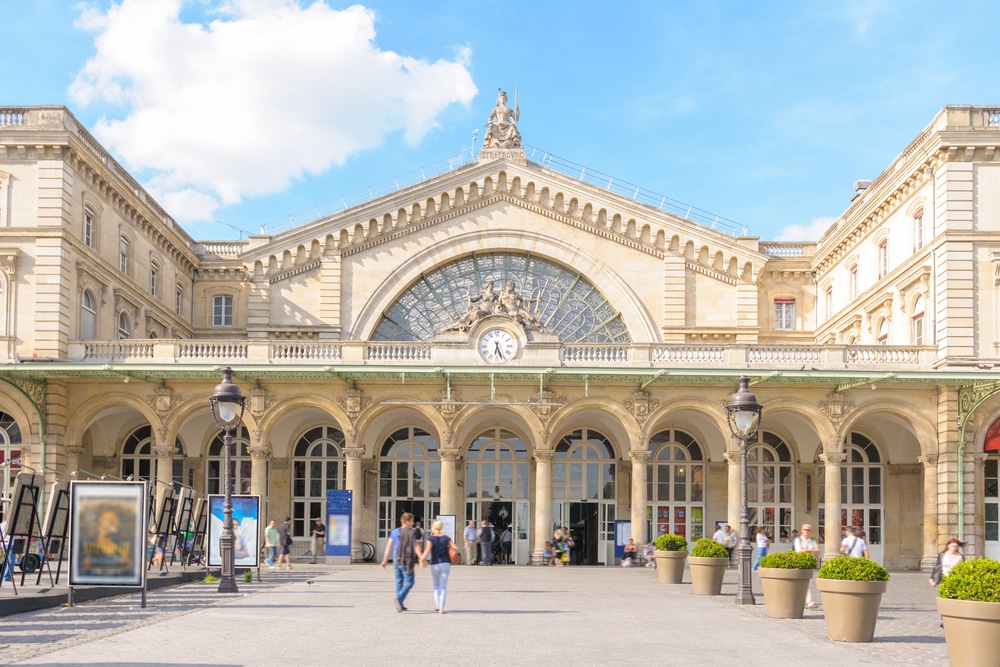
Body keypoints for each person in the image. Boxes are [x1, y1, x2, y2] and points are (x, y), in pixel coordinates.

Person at [380, 512, 422, 612]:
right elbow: (416, 545)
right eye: (412, 521)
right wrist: (421, 557)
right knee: (410, 582)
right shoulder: (411, 532)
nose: (413, 523)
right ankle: (399, 599)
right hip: (406, 561)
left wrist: (384, 560)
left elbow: (389, 546)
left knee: (399, 582)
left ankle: (400, 604)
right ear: (407, 521)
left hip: (396, 560)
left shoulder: (395, 532)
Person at [420, 520, 455, 613]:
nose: (431, 528)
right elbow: (455, 548)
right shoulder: (446, 538)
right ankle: (442, 608)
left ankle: (437, 604)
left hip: (435, 564)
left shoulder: (430, 539)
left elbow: (427, 551)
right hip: (445, 563)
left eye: (432, 526)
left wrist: (421, 559)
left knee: (436, 584)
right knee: (443, 586)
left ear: (435, 528)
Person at [792, 523, 821, 609]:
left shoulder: (812, 541)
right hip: (799, 563)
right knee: (797, 584)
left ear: (810, 531)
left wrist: (806, 550)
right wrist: (810, 550)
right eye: (804, 529)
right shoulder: (798, 540)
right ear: (801, 530)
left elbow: (818, 551)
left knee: (808, 583)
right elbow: (799, 551)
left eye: (808, 530)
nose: (806, 531)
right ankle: (796, 601)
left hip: (808, 564)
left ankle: (809, 602)